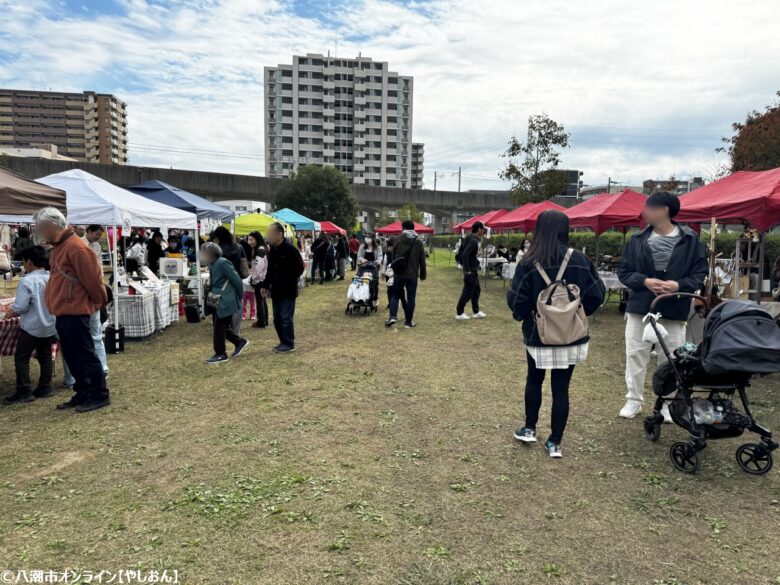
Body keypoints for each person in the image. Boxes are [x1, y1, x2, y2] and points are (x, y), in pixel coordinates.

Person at [508, 210, 606, 458]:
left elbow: (517, 301)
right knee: (561, 389)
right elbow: (597, 294)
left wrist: (526, 316)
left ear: (538, 231)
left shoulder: (529, 262)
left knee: (534, 380)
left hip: (538, 333)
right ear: (566, 229)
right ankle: (555, 442)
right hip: (571, 335)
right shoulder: (581, 260)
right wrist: (576, 315)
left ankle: (530, 428)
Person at [617, 192, 708, 421]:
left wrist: (678, 285)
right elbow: (624, 272)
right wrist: (645, 281)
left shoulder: (690, 239)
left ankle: (667, 403)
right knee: (635, 353)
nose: (644, 211)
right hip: (640, 307)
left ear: (664, 210)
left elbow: (699, 273)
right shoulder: (637, 240)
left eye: (648, 206)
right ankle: (634, 400)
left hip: (674, 307)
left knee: (672, 358)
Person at [34, 207, 110, 413]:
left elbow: (94, 281)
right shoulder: (61, 247)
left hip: (75, 310)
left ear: (51, 226)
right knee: (73, 355)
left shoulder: (76, 248)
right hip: (64, 311)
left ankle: (99, 393)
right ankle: (84, 391)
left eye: (41, 228)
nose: (39, 232)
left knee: (84, 354)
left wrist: (99, 303)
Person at [3, 246, 57, 404]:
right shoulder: (51, 277)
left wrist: (8, 314)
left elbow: (20, 306)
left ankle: (24, 390)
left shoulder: (27, 281)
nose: (23, 264)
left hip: (31, 327)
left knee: (21, 358)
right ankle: (45, 387)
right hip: (50, 325)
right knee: (46, 357)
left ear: (30, 262)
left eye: (24, 261)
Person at [201, 241, 248, 364]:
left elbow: (237, 280)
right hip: (219, 299)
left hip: (225, 299)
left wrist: (239, 296)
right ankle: (239, 342)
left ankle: (221, 353)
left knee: (219, 326)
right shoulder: (213, 264)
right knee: (222, 326)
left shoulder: (222, 262)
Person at [260, 222, 304, 354]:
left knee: (285, 318)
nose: (269, 236)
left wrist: (286, 280)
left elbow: (299, 268)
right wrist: (265, 285)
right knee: (277, 319)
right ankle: (283, 341)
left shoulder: (290, 249)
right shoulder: (273, 249)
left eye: (271, 233)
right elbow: (270, 269)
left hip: (288, 290)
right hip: (276, 290)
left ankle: (289, 343)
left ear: (279, 234)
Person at [386, 220, 427, 329]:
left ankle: (393, 317)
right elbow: (422, 259)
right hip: (412, 274)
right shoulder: (418, 241)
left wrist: (393, 268)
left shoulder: (398, 239)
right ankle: (408, 322)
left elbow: (393, 256)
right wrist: (423, 274)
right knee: (411, 298)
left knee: (395, 295)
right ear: (413, 228)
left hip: (399, 273)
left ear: (403, 228)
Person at [211, 226, 247, 334]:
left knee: (221, 307)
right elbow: (244, 261)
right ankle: (235, 331)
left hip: (222, 284)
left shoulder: (217, 251)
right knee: (236, 306)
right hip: (237, 280)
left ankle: (223, 330)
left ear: (217, 238)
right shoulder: (239, 247)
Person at [455, 221, 487, 320]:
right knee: (468, 291)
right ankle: (460, 313)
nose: (483, 231)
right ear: (479, 229)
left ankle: (476, 311)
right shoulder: (473, 241)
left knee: (476, 290)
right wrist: (467, 270)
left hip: (472, 268)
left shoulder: (468, 238)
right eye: (483, 229)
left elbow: (464, 253)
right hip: (470, 270)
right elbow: (465, 255)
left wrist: (474, 256)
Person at [247, 231, 269, 329]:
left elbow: (259, 267)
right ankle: (265, 320)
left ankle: (261, 322)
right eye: (248, 239)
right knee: (262, 299)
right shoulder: (263, 248)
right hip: (263, 278)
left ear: (257, 240)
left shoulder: (260, 251)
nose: (249, 242)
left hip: (260, 279)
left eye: (252, 239)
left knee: (260, 300)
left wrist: (254, 279)